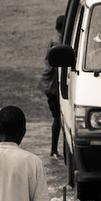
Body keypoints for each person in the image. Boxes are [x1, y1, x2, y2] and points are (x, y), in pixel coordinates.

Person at [40, 19, 64, 158]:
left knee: (58, 118)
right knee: (58, 118)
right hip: (53, 87)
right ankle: (53, 150)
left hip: (51, 85)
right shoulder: (58, 43)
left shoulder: (55, 39)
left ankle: (54, 150)